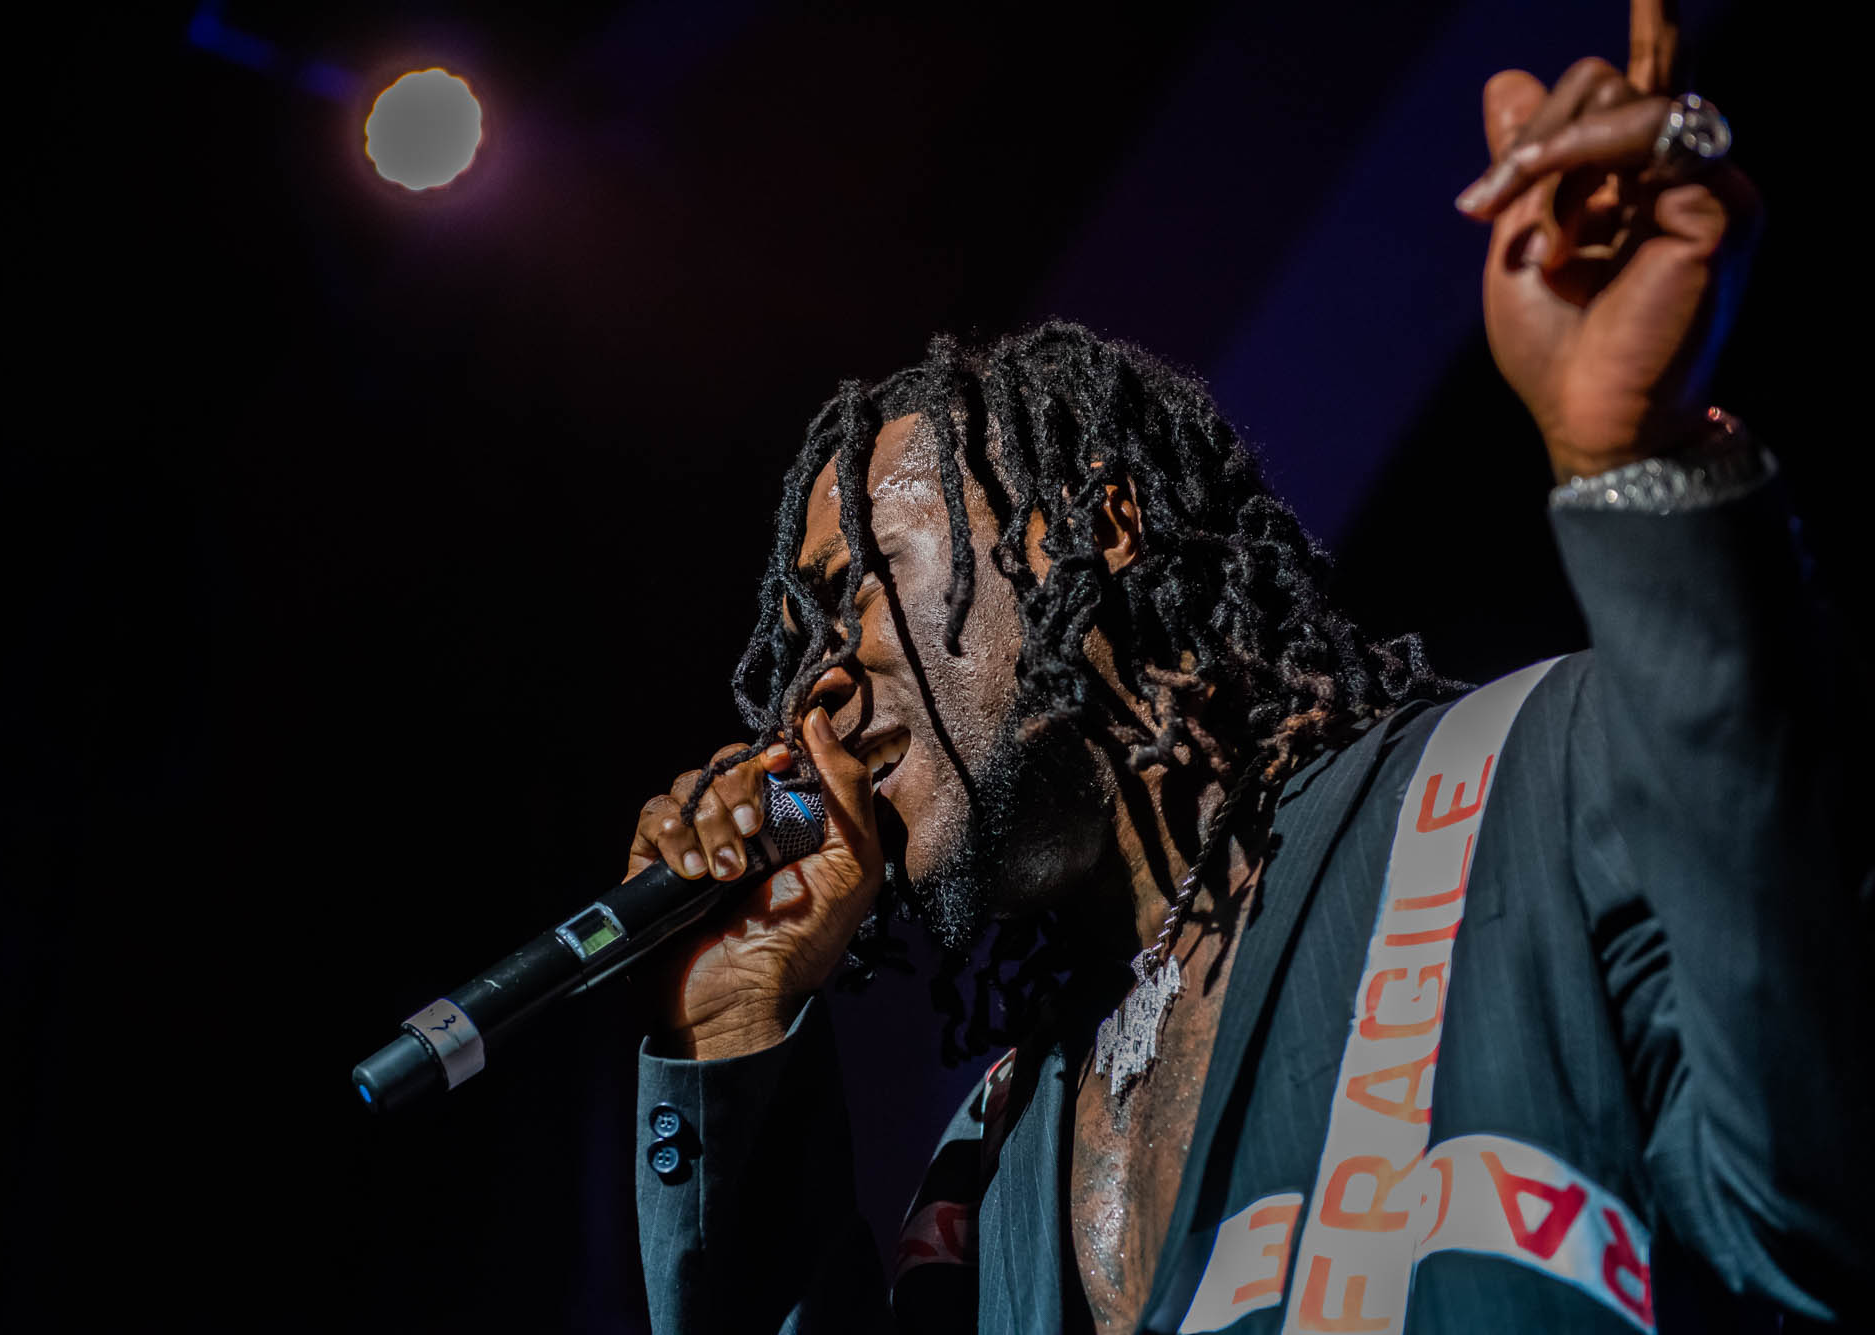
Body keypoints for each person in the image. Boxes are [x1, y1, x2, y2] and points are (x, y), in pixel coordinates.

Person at [623, 9, 1869, 1333]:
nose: (813, 685)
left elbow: (1813, 1201)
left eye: (856, 588)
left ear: (1090, 530)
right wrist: (735, 1023)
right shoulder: (988, 1167)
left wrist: (1642, 462)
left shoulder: (1524, 790)